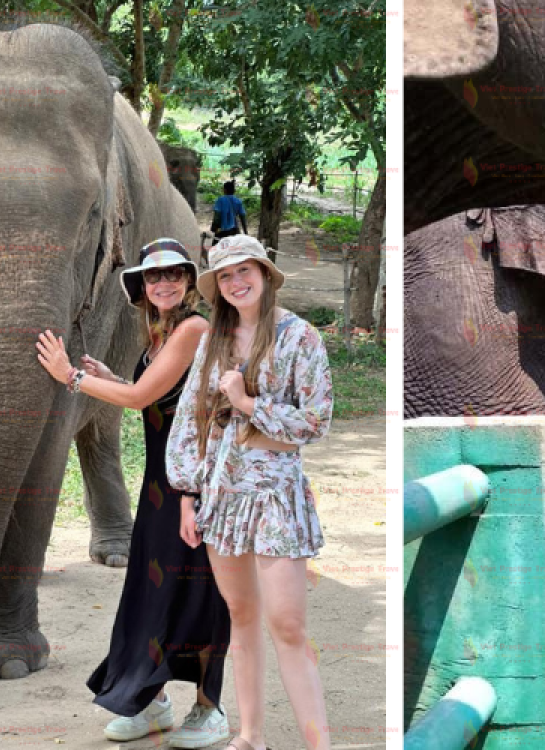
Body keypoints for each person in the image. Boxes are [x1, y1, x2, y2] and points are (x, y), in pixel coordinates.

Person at [35, 238, 233, 749]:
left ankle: (210, 709)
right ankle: (152, 701)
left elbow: (142, 397)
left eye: (173, 275)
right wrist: (114, 378)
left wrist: (72, 377)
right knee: (151, 593)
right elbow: (156, 400)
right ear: (142, 287)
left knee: (198, 592)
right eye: (153, 277)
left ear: (189, 281)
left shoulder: (193, 329)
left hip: (192, 484)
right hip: (159, 486)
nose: (163, 283)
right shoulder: (159, 335)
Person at [166, 235, 333, 750]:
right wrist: (186, 495)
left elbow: (316, 419)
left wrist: (246, 402)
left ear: (264, 272)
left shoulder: (300, 337)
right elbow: (191, 420)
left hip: (276, 496)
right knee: (241, 615)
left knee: (287, 625)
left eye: (246, 271)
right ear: (216, 287)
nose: (238, 283)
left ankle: (317, 744)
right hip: (223, 495)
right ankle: (250, 736)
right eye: (226, 276)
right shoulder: (213, 341)